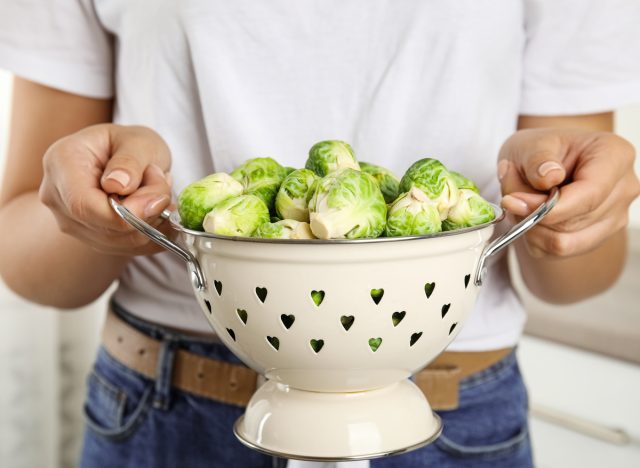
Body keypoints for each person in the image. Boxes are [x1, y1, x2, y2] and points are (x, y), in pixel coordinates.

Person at [1, 1, 639, 467]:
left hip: (453, 415)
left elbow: (577, 275)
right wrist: (109, 198)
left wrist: (564, 203)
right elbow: (27, 254)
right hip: (170, 412)